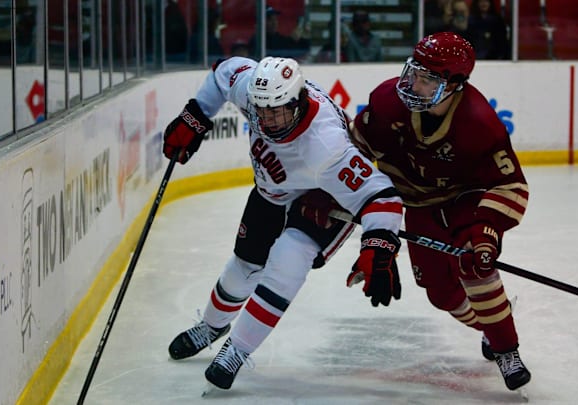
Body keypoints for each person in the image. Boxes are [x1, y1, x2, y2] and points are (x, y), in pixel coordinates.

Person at [162, 56, 403, 390]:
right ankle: (212, 326)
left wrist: (378, 244)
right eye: (260, 111)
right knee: (244, 266)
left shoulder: (326, 146)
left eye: (276, 111)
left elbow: (380, 196)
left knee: (286, 264)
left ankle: (238, 349)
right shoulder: (256, 93)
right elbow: (223, 71)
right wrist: (196, 115)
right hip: (274, 190)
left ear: (299, 101)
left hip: (324, 198)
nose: (267, 120)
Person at [349, 32, 531, 391]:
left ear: (456, 84)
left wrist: (485, 232)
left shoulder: (480, 123)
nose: (414, 84)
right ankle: (490, 327)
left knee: (474, 264)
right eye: (414, 72)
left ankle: (507, 350)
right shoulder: (387, 102)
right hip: (417, 205)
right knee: (440, 293)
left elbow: (512, 187)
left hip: (466, 199)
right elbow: (352, 154)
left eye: (428, 78)